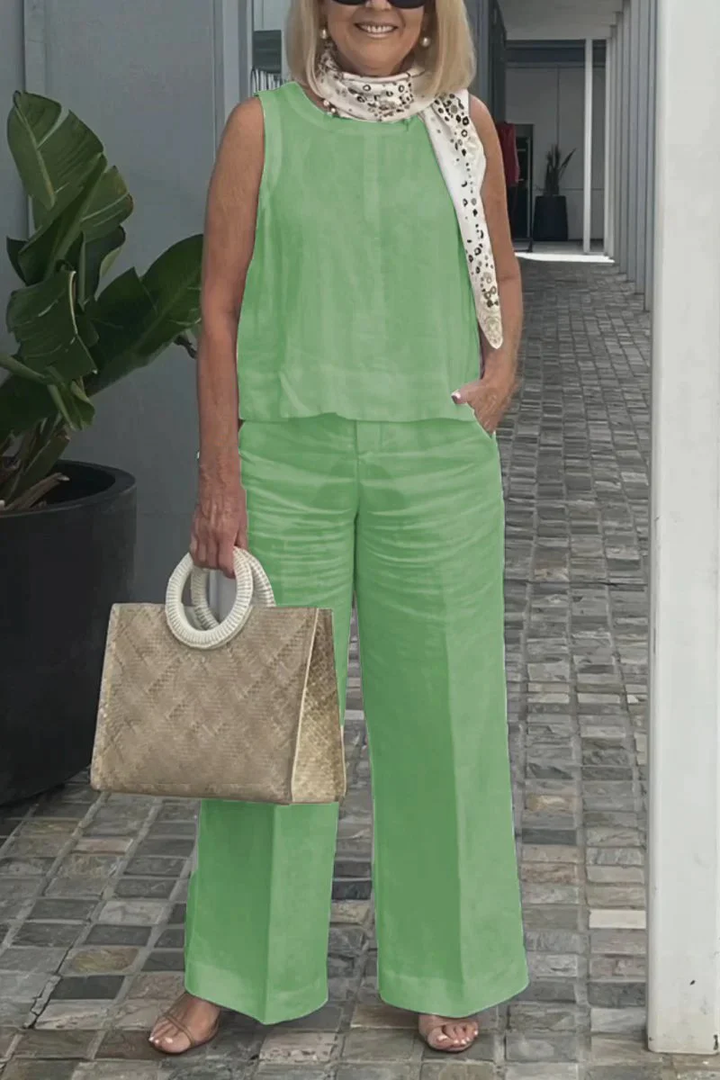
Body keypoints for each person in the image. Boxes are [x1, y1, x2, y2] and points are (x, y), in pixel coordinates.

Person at [150, 0, 528, 1056]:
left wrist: (502, 375)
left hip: (435, 461)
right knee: (269, 726)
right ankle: (235, 969)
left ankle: (448, 964)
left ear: (433, 13)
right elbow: (218, 308)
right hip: (288, 460)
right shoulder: (261, 127)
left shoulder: (463, 125)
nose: (379, 6)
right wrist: (220, 476)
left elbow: (500, 270)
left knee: (446, 720)